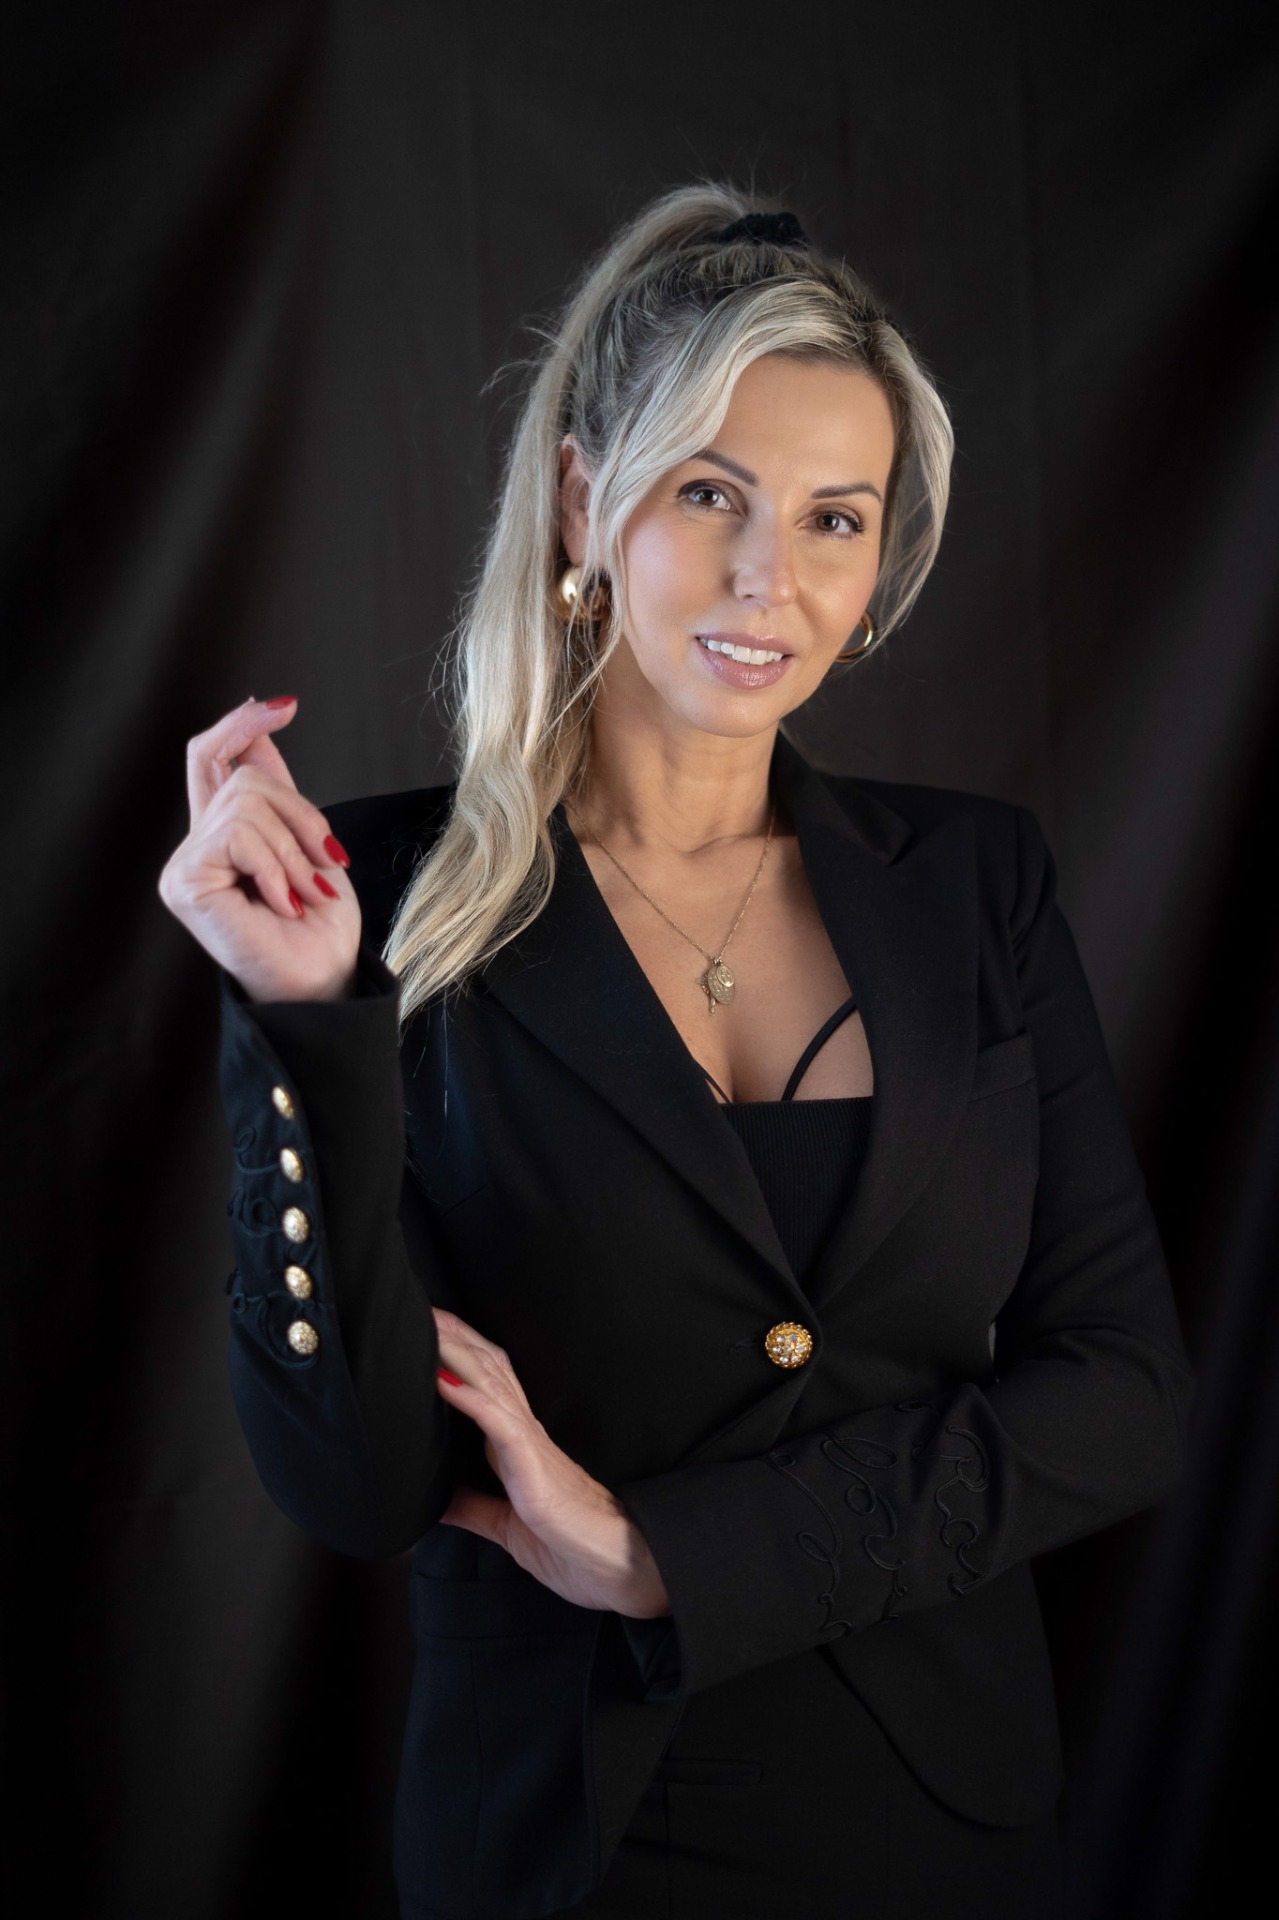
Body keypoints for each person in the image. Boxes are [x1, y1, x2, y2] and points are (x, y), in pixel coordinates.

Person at [158, 185, 1193, 1920]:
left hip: (944, 1823)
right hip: (556, 1837)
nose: (769, 578)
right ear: (585, 498)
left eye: (834, 518)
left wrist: (672, 1559)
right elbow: (354, 1481)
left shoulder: (974, 885)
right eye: (711, 492)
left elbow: (1125, 1396)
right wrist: (309, 1021)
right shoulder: (371, 894)